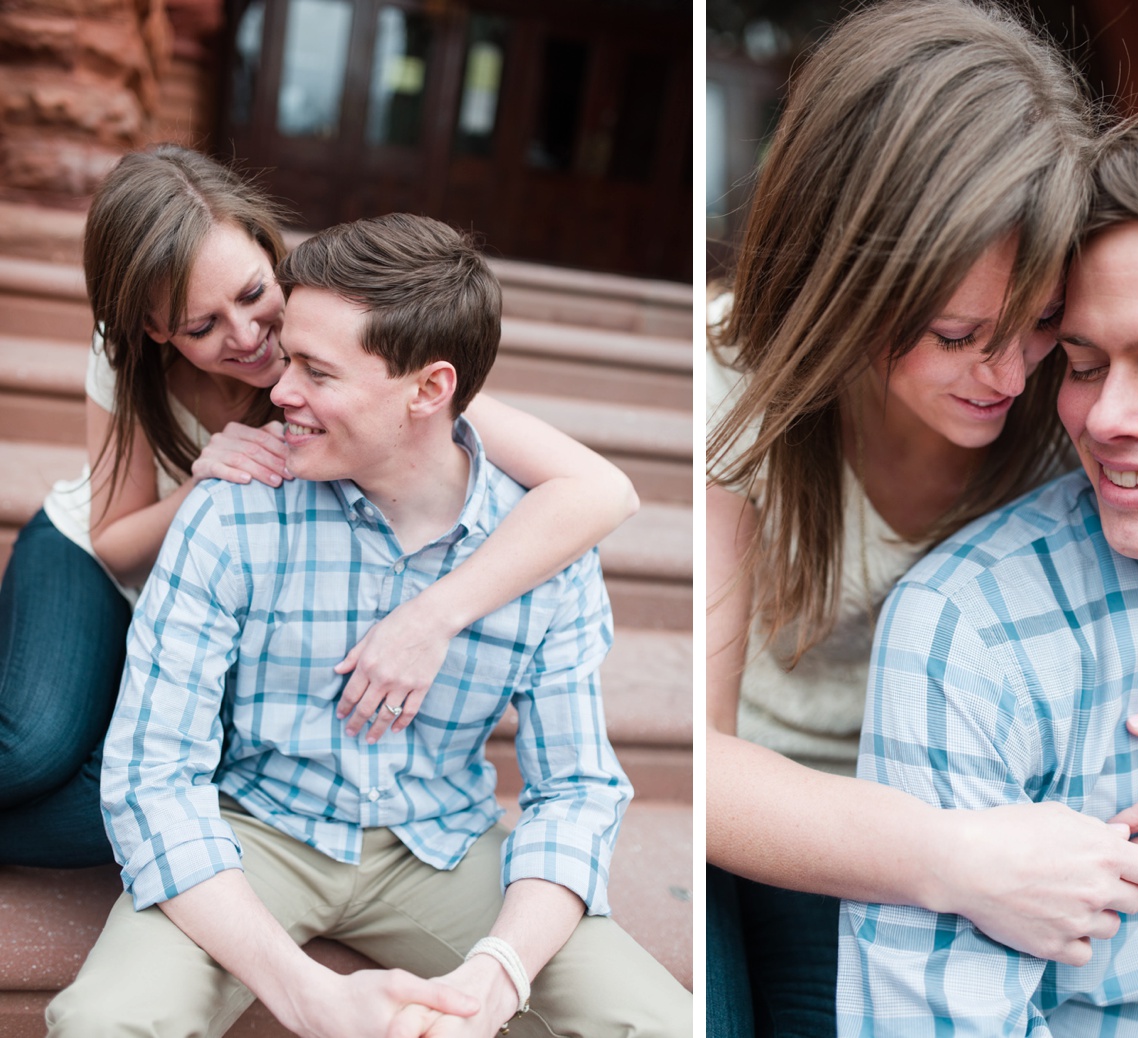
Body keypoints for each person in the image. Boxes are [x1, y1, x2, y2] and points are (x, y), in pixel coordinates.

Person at [707, 2, 1138, 1034]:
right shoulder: (734, 384)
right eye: (953, 333)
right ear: (844, 284)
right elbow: (704, 759)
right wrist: (954, 858)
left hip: (968, 779)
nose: (1004, 374)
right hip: (788, 808)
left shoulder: (1081, 394)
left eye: (1038, 326)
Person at [44, 212, 690, 1037]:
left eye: (316, 370)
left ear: (430, 390)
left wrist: (499, 975)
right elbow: (153, 780)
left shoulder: (546, 550)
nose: (275, 393)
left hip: (445, 848)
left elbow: (575, 793)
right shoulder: (236, 511)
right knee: (107, 1022)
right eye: (289, 359)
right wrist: (306, 995)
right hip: (256, 832)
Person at [0, 144, 639, 867]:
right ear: (153, 329)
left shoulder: (349, 353)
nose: (247, 339)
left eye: (251, 296)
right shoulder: (124, 356)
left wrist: (433, 616)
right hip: (93, 563)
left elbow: (603, 491)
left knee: (152, 797)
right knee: (31, 748)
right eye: (200, 326)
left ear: (273, 258)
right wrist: (204, 483)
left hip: (211, 612)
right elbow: (113, 539)